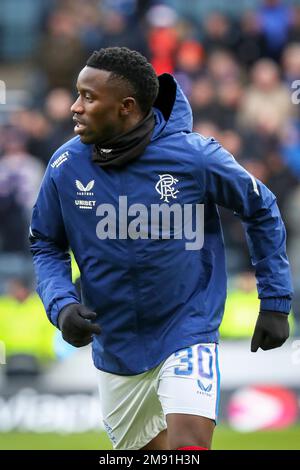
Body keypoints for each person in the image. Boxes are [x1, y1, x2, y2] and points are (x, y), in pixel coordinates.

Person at [30, 47, 292, 451]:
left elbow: (261, 206)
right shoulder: (65, 166)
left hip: (187, 326)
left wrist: (275, 300)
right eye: (77, 94)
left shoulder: (194, 157)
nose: (74, 107)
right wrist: (62, 304)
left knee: (188, 447)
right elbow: (46, 242)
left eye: (88, 97)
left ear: (126, 107)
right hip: (115, 342)